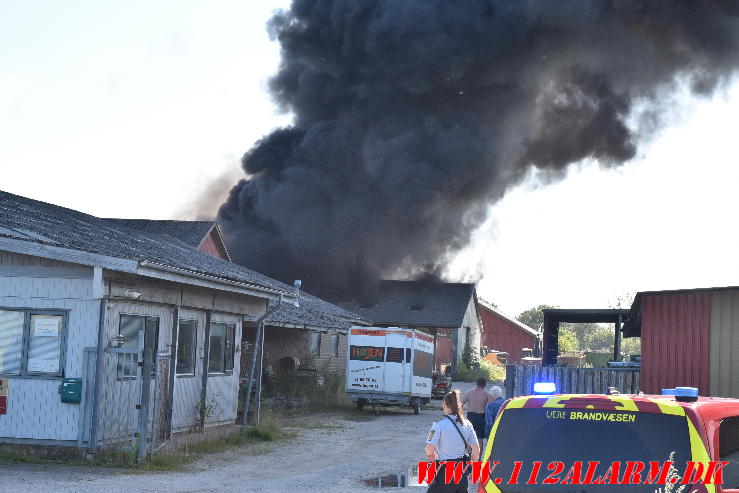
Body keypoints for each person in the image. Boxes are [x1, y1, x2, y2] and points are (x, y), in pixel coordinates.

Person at [424, 390, 480, 492]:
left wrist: (433, 455)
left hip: (445, 472)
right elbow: (476, 449)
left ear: (445, 405)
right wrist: (474, 469)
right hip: (461, 472)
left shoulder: (439, 425)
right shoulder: (467, 424)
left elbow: (429, 449)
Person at [462, 378, 493, 445]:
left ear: (476, 383)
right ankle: (478, 455)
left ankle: (470, 454)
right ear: (485, 385)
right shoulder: (487, 394)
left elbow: (461, 404)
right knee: (479, 438)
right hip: (481, 417)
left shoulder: (469, 393)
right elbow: (490, 407)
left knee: (469, 437)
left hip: (470, 416)